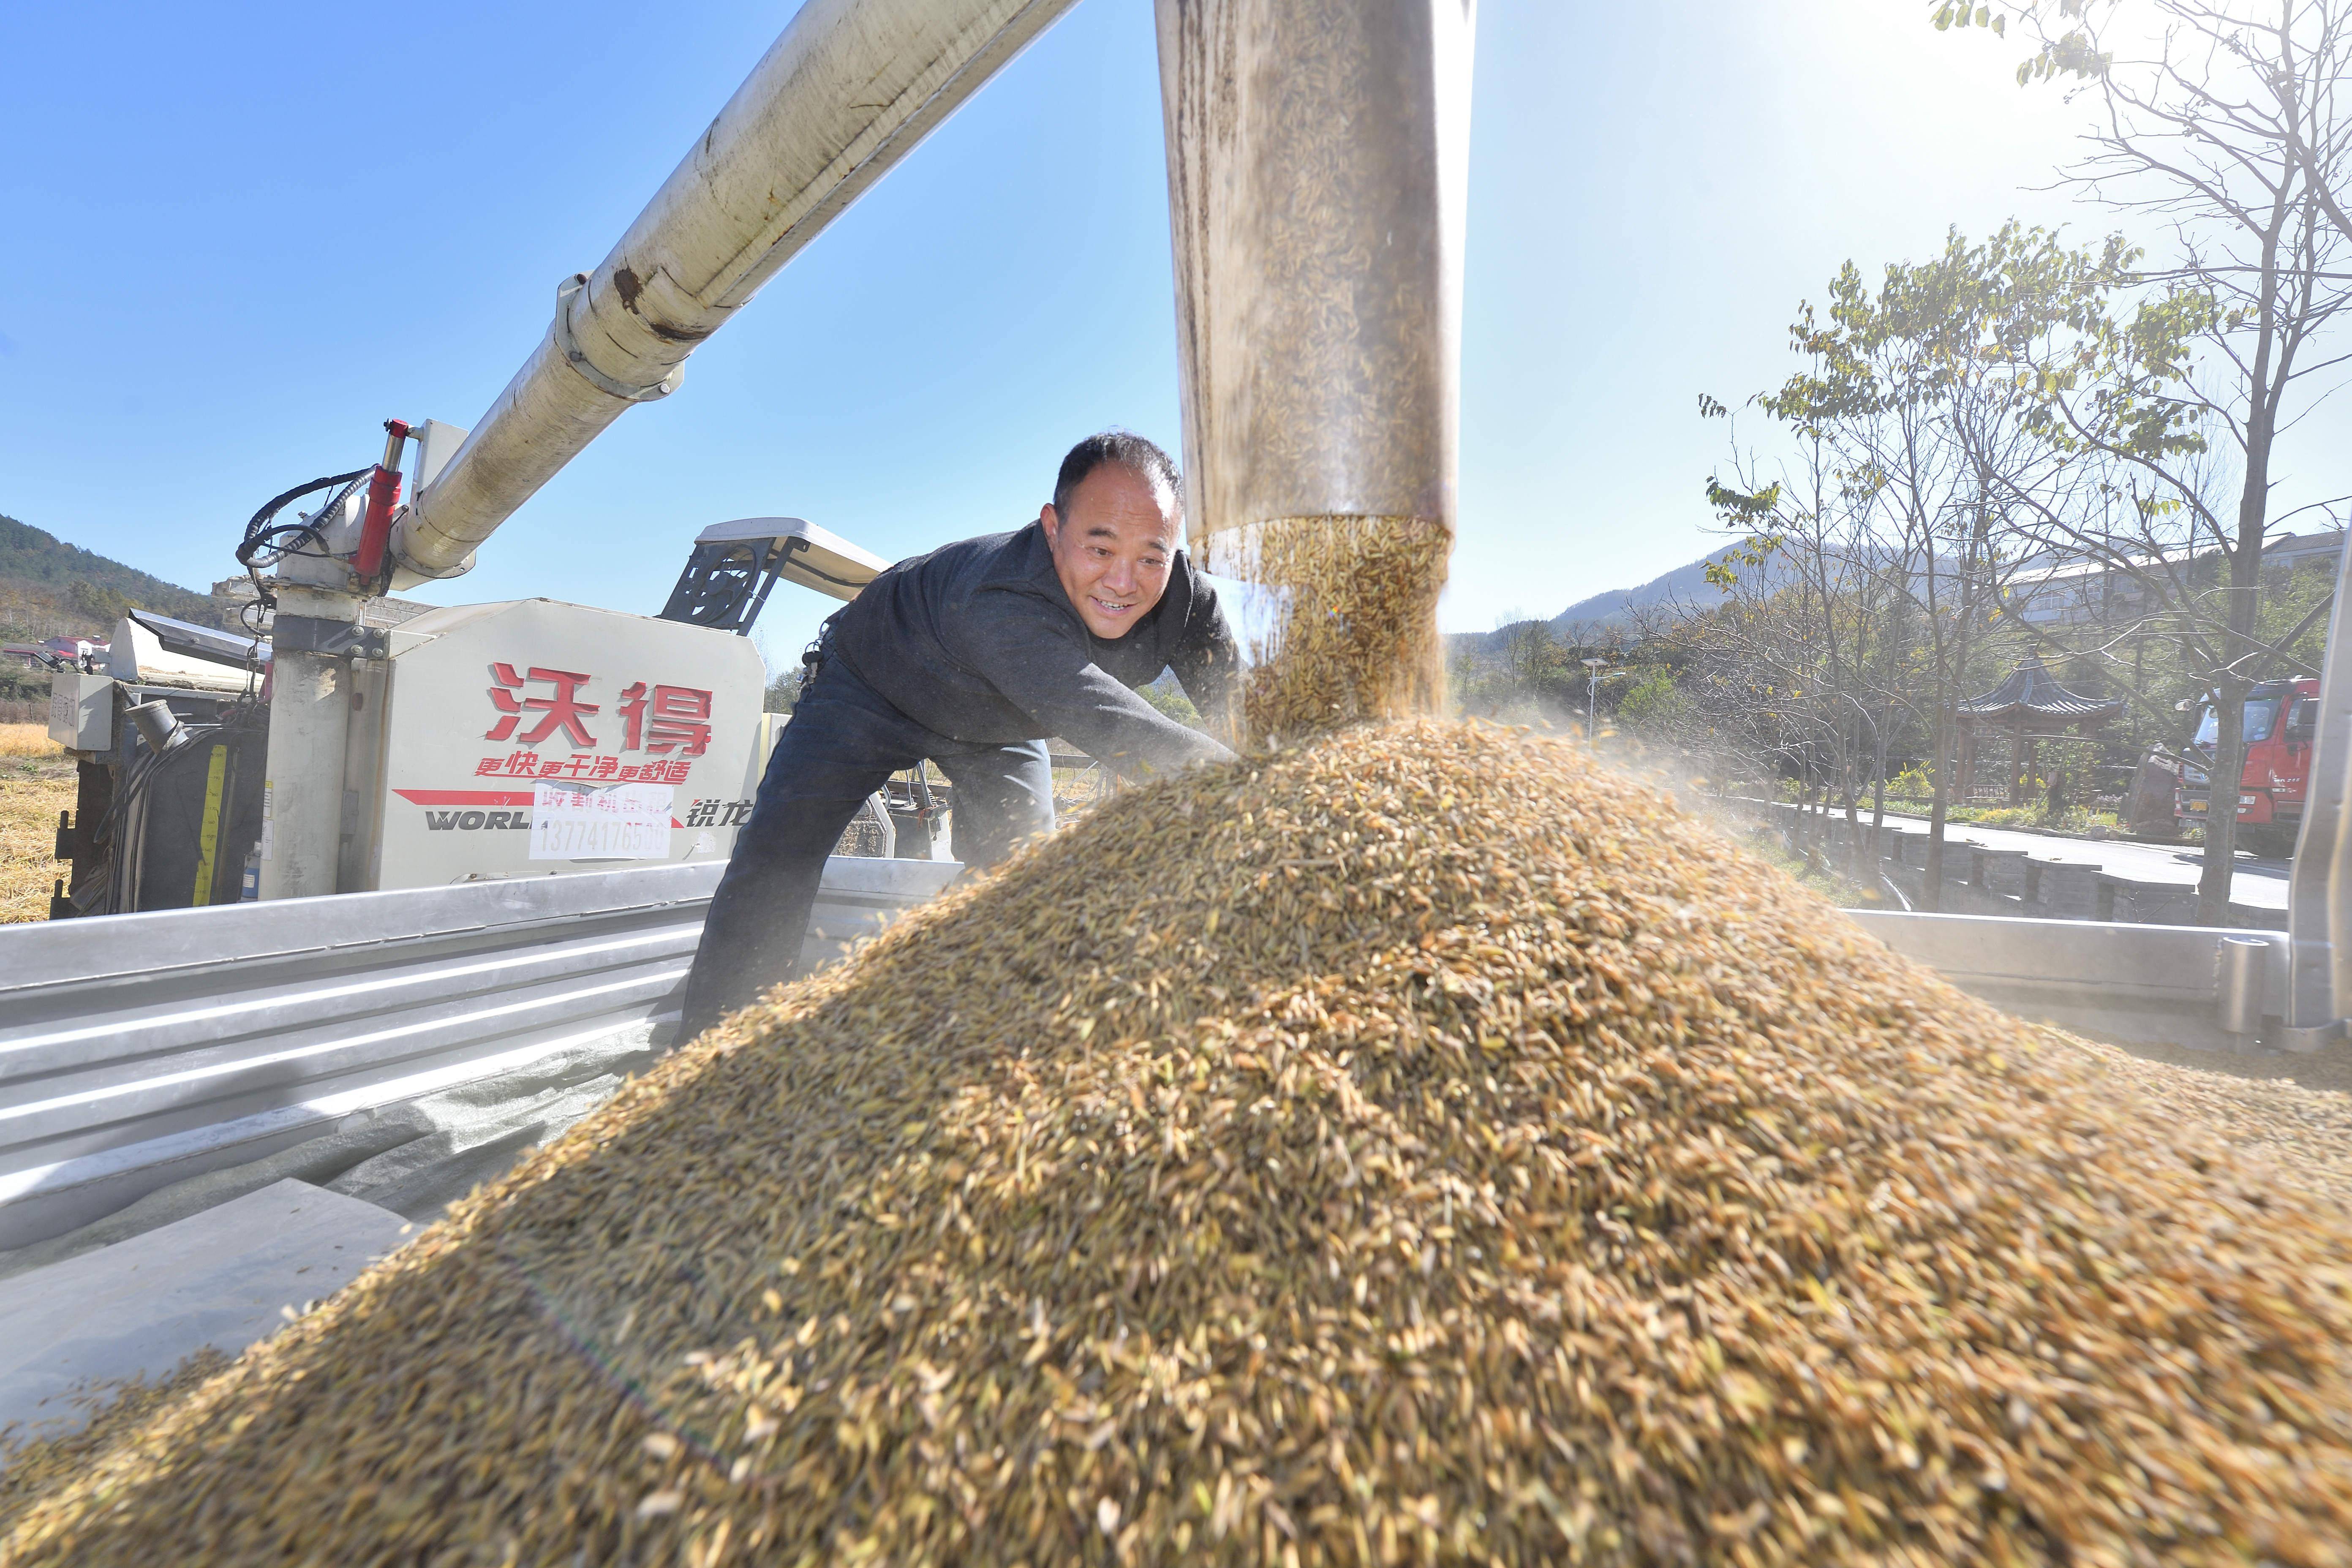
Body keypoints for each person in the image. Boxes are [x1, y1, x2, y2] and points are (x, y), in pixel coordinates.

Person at [677, 431, 1239, 1036]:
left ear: (1177, 547)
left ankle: (972, 1023)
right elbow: (1105, 720)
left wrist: (1294, 760)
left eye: (1151, 558)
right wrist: (1242, 785)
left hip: (997, 720)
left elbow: (1252, 715)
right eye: (1100, 550)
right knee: (778, 856)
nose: (1124, 582)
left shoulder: (1189, 607)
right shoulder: (999, 600)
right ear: (1053, 528)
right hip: (874, 684)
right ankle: (715, 1042)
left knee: (1022, 872)